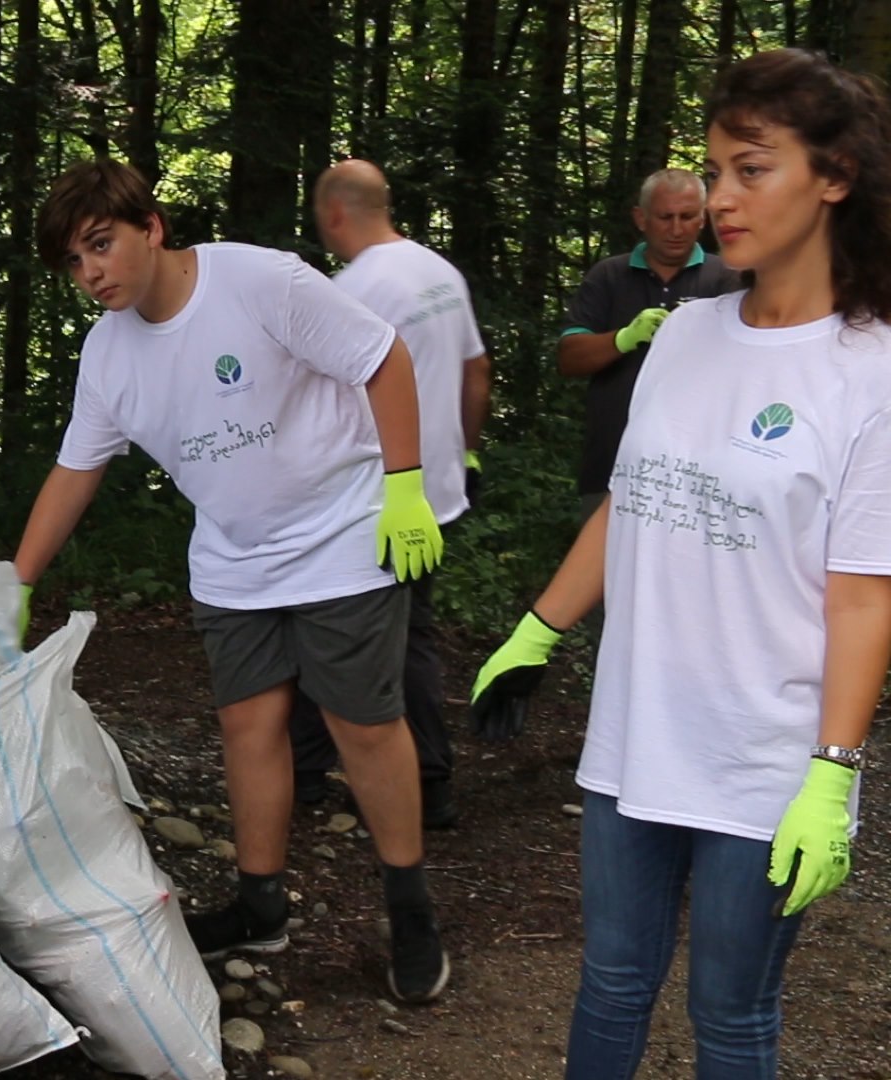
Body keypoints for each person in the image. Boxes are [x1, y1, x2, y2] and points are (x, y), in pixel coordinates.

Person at [471, 48, 891, 1078]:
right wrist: (536, 631)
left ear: (835, 176)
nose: (719, 198)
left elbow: (862, 597)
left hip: (766, 762)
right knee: (611, 982)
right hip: (637, 733)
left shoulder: (872, 369)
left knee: (730, 1014)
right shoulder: (687, 331)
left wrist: (831, 775)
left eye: (752, 169)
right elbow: (634, 502)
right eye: (713, 171)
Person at [12, 158, 450, 1003]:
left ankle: (410, 909)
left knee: (362, 725)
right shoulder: (108, 355)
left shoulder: (259, 282)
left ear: (151, 228)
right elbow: (76, 469)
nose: (90, 272)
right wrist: (19, 579)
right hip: (233, 559)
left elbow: (383, 357)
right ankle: (260, 904)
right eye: (72, 260)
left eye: (100, 244)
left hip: (340, 535)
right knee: (249, 726)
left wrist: (405, 486)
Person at [287, 159, 492, 829]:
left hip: (375, 497)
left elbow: (316, 399)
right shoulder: (440, 272)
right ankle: (329, 768)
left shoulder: (351, 291)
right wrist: (464, 453)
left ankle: (401, 781)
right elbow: (477, 371)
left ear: (334, 214)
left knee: (346, 632)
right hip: (437, 490)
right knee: (401, 634)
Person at [560, 170, 743, 527]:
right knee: (601, 562)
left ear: (703, 218)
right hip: (610, 465)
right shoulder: (608, 276)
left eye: (687, 217)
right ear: (641, 218)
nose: (676, 229)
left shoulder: (727, 278)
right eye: (664, 217)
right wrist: (623, 338)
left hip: (702, 472)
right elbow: (569, 358)